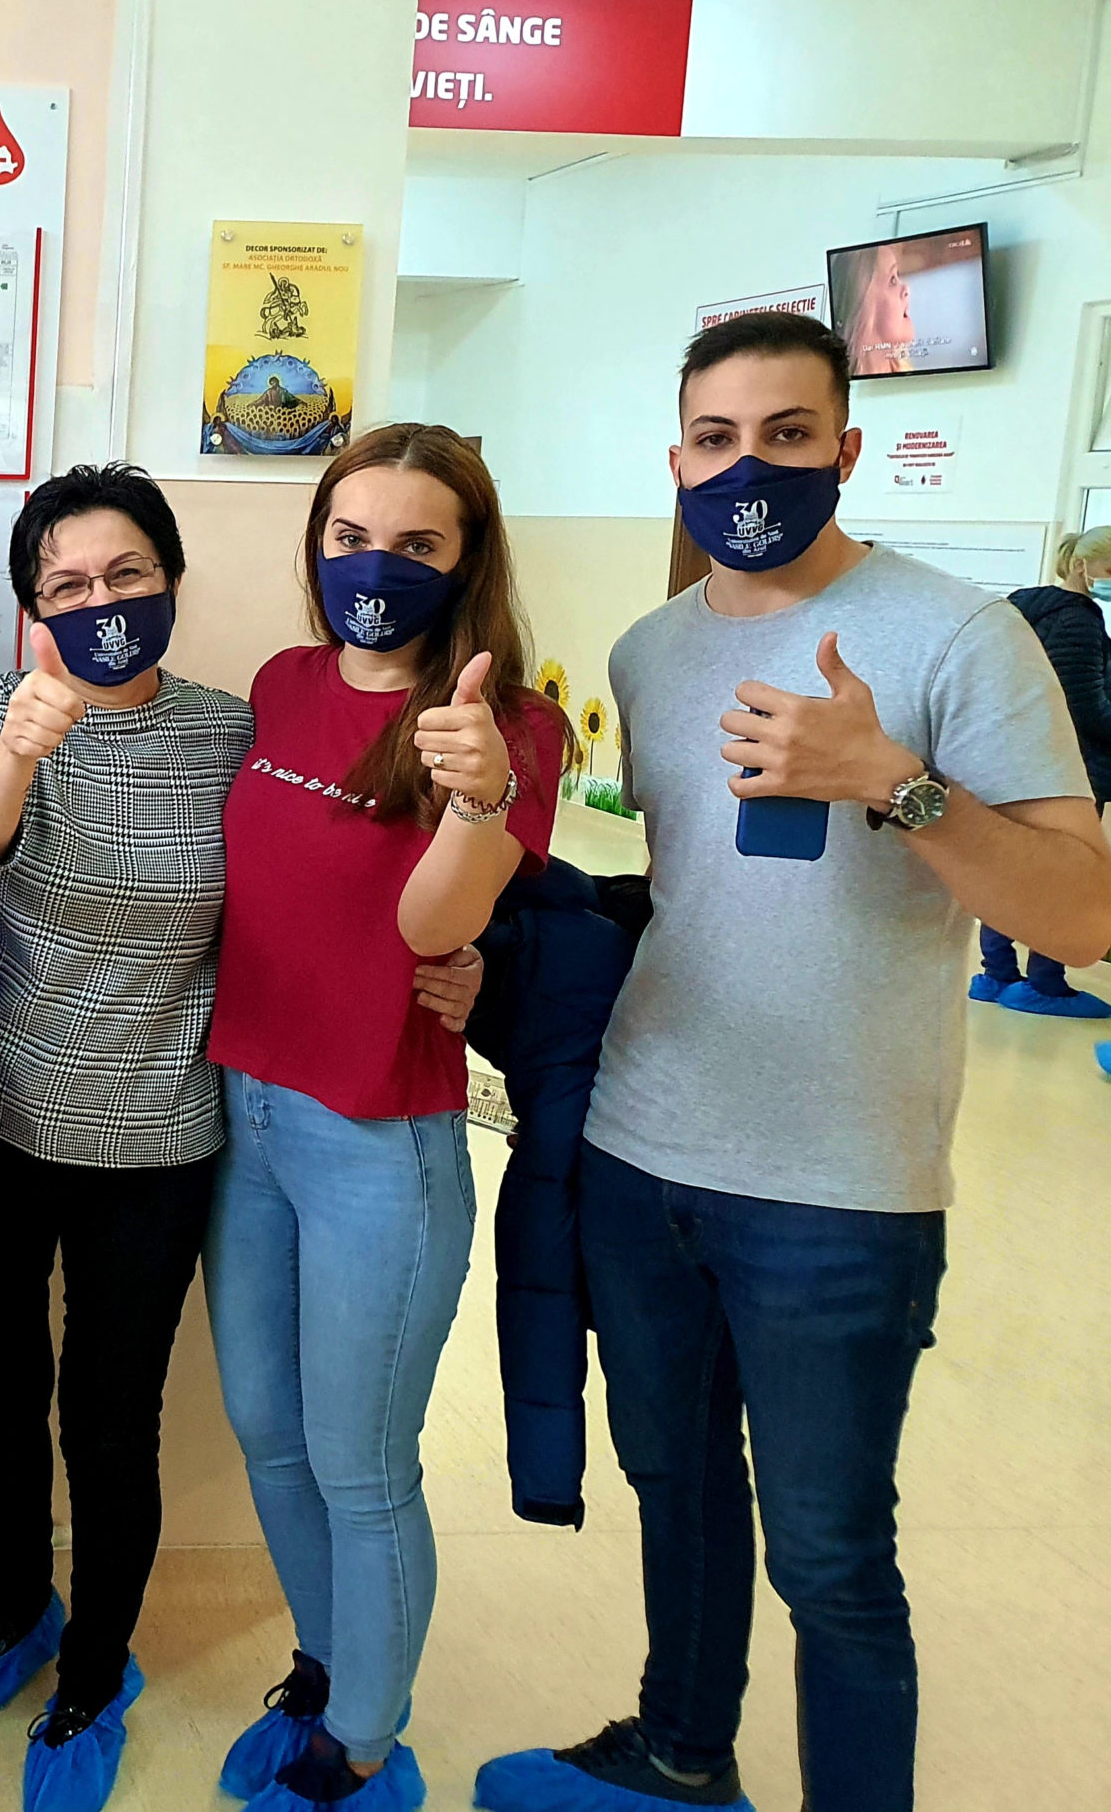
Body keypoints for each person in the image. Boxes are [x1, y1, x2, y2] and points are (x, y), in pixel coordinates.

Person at [475, 312, 1111, 1812]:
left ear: (846, 448)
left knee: (832, 1556)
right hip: (643, 1151)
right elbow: (693, 889)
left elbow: (1082, 915)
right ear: (676, 458)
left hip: (842, 1184)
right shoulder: (650, 648)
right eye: (716, 438)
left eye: (786, 434)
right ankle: (681, 1752)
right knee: (678, 1488)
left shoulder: (959, 634)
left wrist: (895, 785)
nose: (747, 466)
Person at [0, 464, 486, 1812]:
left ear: (170, 579)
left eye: (126, 574)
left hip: (164, 1136)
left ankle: (95, 1673)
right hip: (4, 1122)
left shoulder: (234, 728)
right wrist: (21, 748)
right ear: (32, 605)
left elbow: (334, 877)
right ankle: (19, 1608)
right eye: (67, 584)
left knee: (111, 1420)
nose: (100, 601)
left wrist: (471, 964)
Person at [204, 423, 566, 1810]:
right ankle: (327, 1661)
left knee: (361, 1464)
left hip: (380, 1141)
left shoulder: (509, 728)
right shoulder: (281, 684)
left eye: (417, 544)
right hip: (249, 1116)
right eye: (351, 538)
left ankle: (361, 1740)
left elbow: (429, 926)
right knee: (267, 1427)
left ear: (466, 561)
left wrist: (477, 799)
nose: (375, 567)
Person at [972, 526, 1111, 1016]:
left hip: (1010, 760)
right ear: (1082, 566)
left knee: (1008, 872)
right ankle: (1045, 985)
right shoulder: (1077, 621)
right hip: (1066, 770)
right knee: (1061, 878)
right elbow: (1085, 710)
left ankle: (996, 975)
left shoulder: (1025, 609)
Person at [837, 243, 916, 377]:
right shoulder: (840, 382)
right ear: (863, 306)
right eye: (892, 280)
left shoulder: (907, 373)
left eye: (898, 275)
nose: (906, 289)